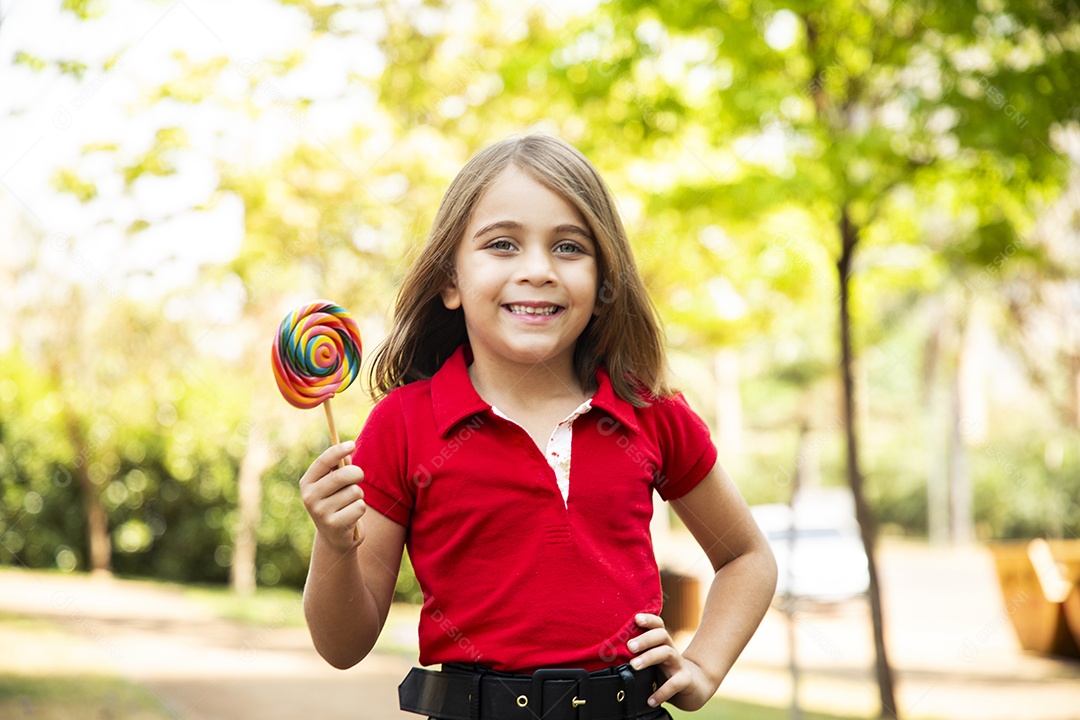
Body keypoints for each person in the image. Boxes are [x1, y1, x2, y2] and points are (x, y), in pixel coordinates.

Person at [298, 133, 777, 720]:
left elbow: (746, 557)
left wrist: (704, 664)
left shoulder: (649, 411)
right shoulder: (402, 424)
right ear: (450, 280)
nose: (537, 270)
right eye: (502, 244)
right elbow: (342, 645)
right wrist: (333, 543)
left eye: (569, 248)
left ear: (604, 285)